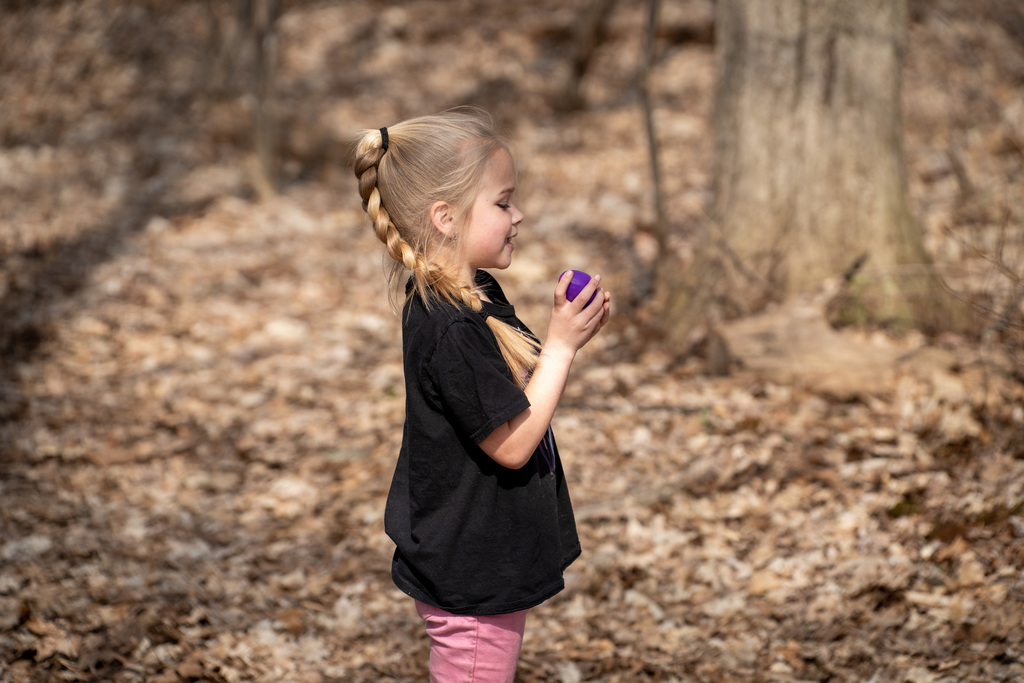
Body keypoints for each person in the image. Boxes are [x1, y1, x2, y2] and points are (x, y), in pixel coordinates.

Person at [352, 107, 611, 682]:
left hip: (484, 554)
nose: (518, 215)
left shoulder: (475, 294)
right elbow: (513, 443)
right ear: (445, 217)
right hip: (471, 570)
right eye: (502, 202)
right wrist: (563, 349)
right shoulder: (448, 326)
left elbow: (511, 389)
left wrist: (564, 328)